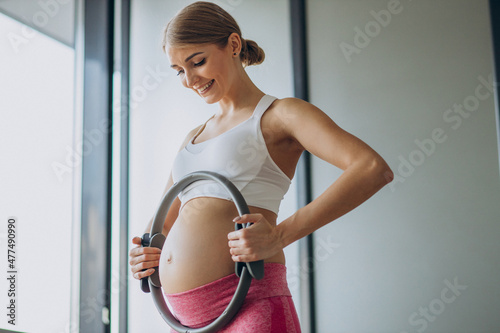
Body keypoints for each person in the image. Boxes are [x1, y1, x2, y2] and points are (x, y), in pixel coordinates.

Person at [129, 2, 394, 332]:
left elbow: (371, 168)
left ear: (234, 45)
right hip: (183, 321)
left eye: (197, 62)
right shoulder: (192, 137)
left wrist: (280, 235)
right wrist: (147, 254)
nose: (189, 79)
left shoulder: (281, 115)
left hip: (251, 308)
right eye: (179, 70)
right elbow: (162, 226)